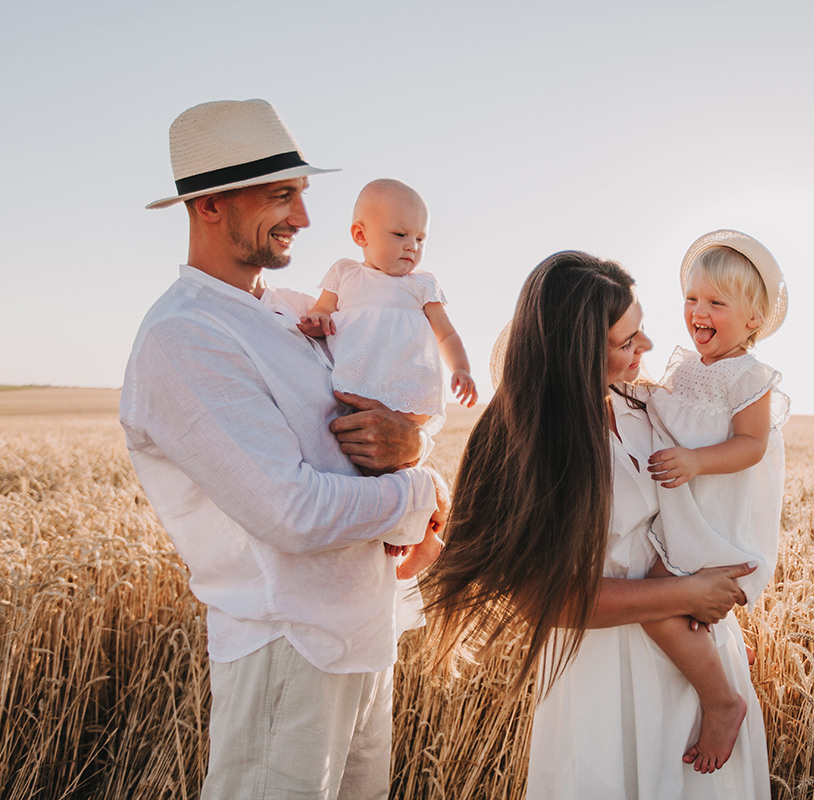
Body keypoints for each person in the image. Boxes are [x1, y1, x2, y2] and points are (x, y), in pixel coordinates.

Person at [121, 98, 448, 799]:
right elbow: (293, 512)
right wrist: (421, 493)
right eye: (280, 195)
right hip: (285, 651)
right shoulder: (185, 336)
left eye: (301, 193)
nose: (302, 216)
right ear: (210, 205)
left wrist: (415, 442)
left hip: (365, 636)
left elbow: (395, 413)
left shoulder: (294, 310)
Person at [423, 251, 771, 799]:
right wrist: (687, 593)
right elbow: (545, 599)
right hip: (602, 676)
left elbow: (710, 498)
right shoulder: (528, 440)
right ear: (580, 351)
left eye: (641, 329)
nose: (647, 347)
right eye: (628, 341)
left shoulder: (644, 405)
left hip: (695, 656)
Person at [638, 229, 790, 773]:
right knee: (673, 602)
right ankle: (722, 655)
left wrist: (698, 462)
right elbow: (665, 411)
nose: (698, 312)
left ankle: (722, 700)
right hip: (685, 510)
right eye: (691, 299)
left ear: (753, 320)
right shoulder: (685, 368)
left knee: (658, 601)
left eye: (716, 303)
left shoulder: (748, 375)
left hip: (715, 514)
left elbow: (751, 444)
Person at [298, 178, 478, 440]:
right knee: (351, 440)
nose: (412, 246)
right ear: (361, 235)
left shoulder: (422, 284)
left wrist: (461, 368)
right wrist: (317, 320)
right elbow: (323, 309)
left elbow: (446, 334)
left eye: (420, 238)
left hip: (408, 388)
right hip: (355, 380)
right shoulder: (345, 273)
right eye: (400, 234)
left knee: (401, 442)